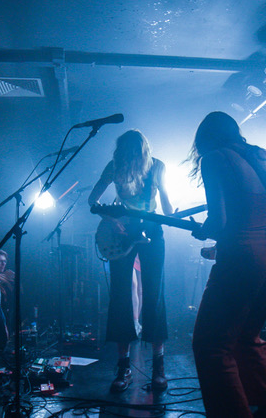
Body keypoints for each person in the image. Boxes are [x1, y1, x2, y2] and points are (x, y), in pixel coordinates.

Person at [188, 112, 266, 418]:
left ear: (205, 138)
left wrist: (204, 229)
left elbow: (219, 222)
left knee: (211, 345)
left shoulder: (213, 158)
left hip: (241, 258)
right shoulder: (262, 156)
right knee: (246, 337)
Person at [88, 129, 173, 392]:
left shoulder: (156, 167)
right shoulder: (115, 167)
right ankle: (124, 366)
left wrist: (173, 216)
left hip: (150, 229)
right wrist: (112, 219)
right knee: (122, 295)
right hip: (123, 232)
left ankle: (157, 366)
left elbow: (167, 207)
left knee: (152, 294)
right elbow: (93, 200)